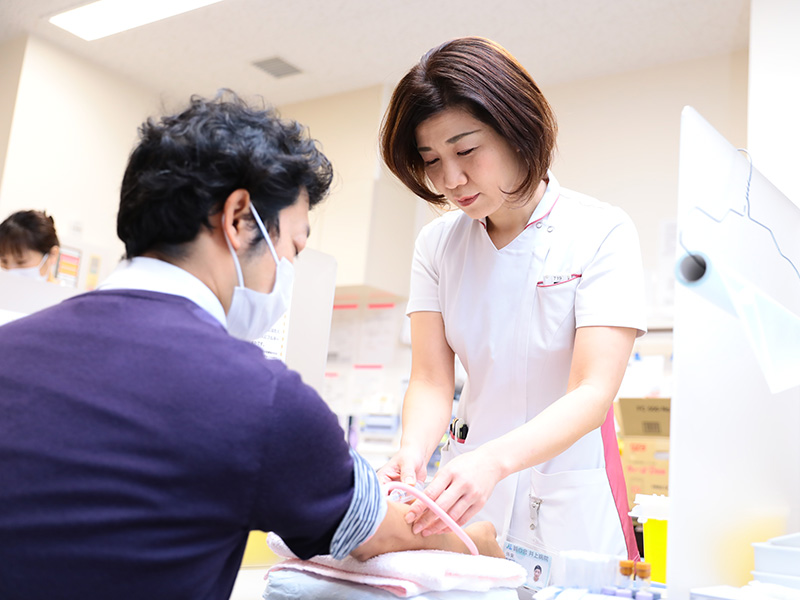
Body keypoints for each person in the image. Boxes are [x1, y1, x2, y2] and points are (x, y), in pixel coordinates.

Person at [0, 92, 501, 600]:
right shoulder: (258, 398)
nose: (288, 270)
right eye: (293, 248)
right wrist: (479, 544)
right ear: (240, 218)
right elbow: (387, 536)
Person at [377, 37, 647, 588]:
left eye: (466, 150)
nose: (450, 181)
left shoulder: (601, 231)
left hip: (569, 485)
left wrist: (496, 461)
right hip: (470, 483)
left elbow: (592, 393)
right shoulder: (437, 246)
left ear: (516, 128)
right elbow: (431, 379)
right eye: (431, 161)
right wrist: (411, 453)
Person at [0, 209, 60, 281]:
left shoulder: (67, 292)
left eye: (21, 262)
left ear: (52, 254)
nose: (10, 270)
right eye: (4, 261)